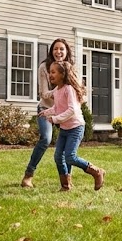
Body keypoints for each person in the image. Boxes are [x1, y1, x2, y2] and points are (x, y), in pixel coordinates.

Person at [39, 60, 105, 191]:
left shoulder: (68, 89)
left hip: (76, 128)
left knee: (70, 157)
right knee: (58, 157)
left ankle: (97, 172)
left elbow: (72, 110)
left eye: (53, 72)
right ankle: (66, 186)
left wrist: (55, 119)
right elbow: (58, 107)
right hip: (65, 128)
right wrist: (46, 112)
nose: (50, 75)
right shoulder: (57, 90)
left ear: (62, 74)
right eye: (49, 72)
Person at [21, 38, 74, 188]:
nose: (59, 52)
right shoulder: (44, 67)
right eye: (56, 49)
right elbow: (44, 93)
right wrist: (61, 92)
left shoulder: (70, 68)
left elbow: (76, 89)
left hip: (65, 111)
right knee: (45, 138)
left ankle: (66, 182)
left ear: (66, 52)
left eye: (62, 49)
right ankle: (28, 176)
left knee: (66, 147)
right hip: (46, 109)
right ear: (51, 51)